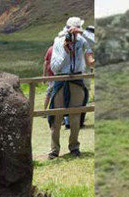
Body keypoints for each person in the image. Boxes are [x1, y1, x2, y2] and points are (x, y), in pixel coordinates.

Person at [48, 17, 94, 159]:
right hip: (61, 79)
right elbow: (54, 67)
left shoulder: (82, 41)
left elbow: (92, 54)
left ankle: (74, 147)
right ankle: (54, 150)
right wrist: (65, 51)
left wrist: (82, 33)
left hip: (77, 79)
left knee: (75, 116)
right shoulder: (58, 41)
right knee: (57, 116)